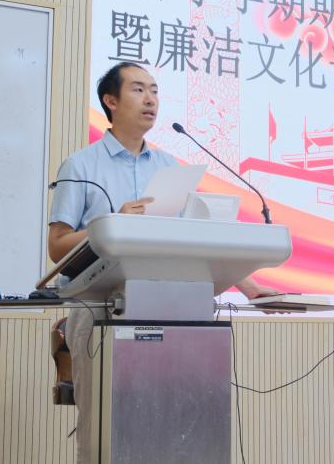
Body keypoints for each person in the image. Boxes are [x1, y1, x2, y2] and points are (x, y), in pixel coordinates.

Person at [47, 61, 277, 462]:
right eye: (138, 89)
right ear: (111, 101)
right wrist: (111, 223)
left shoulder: (169, 169)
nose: (150, 99)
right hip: (100, 309)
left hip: (170, 309)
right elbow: (57, 245)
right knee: (102, 424)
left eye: (154, 90)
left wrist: (249, 286)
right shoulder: (81, 165)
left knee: (171, 423)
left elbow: (194, 239)